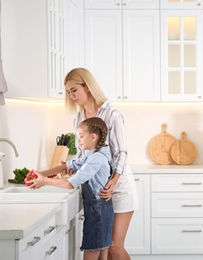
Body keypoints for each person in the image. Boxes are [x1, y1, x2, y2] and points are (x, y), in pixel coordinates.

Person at [64, 68, 138, 260]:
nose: (71, 96)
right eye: (68, 92)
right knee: (102, 249)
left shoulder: (112, 114)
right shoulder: (79, 118)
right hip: (98, 190)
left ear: (87, 87)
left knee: (114, 248)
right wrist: (70, 169)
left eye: (74, 90)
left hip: (119, 187)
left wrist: (113, 181)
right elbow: (83, 154)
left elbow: (121, 152)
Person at [27, 117, 114, 260]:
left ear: (93, 137)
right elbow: (68, 166)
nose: (78, 140)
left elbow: (70, 183)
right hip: (103, 209)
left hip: (97, 212)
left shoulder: (96, 159)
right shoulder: (94, 155)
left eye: (81, 136)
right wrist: (42, 174)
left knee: (92, 254)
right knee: (102, 256)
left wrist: (45, 181)